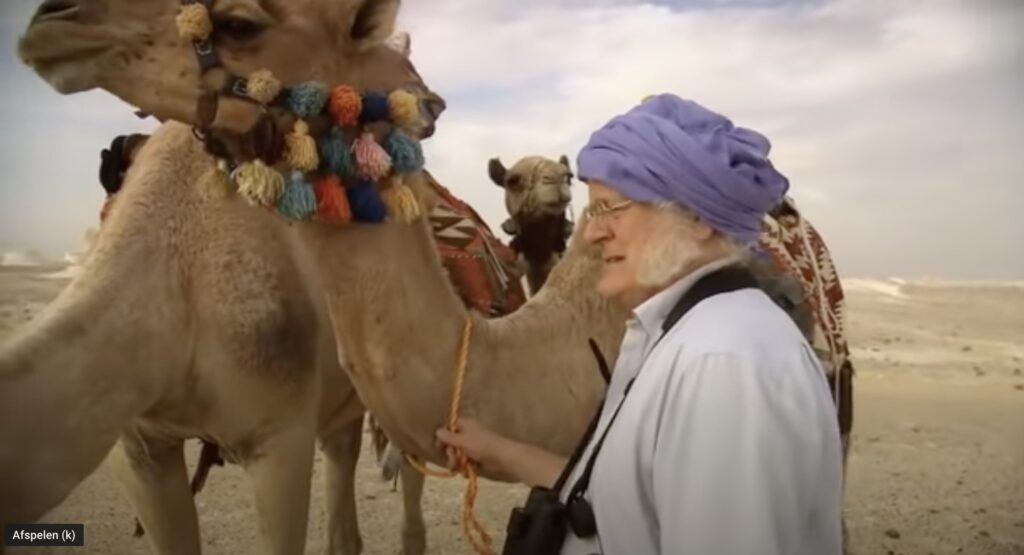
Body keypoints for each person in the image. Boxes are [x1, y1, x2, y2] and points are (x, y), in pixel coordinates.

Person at [436, 94, 844, 554]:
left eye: (612, 208)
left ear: (696, 217)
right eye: (593, 211)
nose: (591, 232)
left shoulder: (723, 366)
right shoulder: (676, 332)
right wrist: (500, 450)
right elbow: (630, 502)